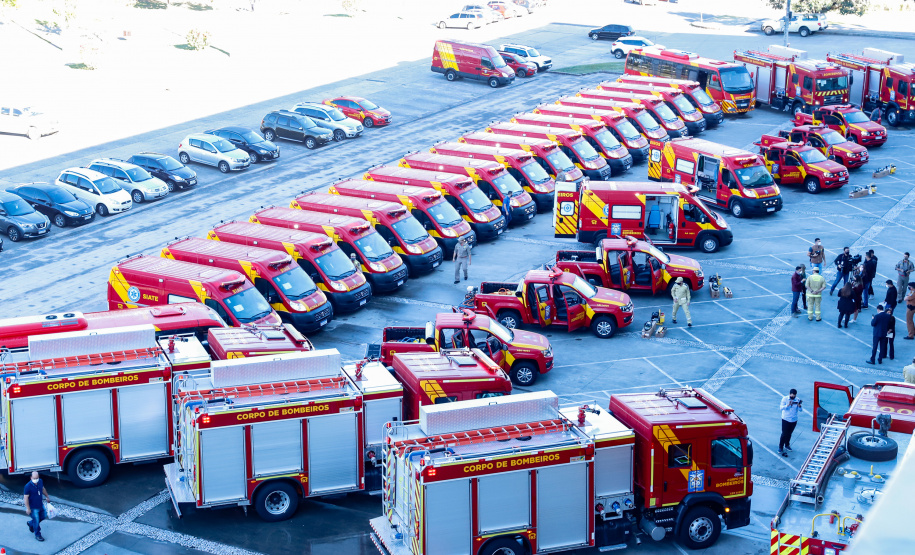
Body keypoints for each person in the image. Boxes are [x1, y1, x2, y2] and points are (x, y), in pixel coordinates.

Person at [24, 471, 49, 542]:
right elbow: (25, 498)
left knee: (44, 515)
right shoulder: (27, 486)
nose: (36, 480)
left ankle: (31, 523)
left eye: (37, 478)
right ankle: (38, 535)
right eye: (34, 478)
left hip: (40, 504)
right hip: (33, 507)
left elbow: (43, 489)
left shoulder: (40, 481)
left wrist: (47, 496)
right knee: (36, 521)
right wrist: (28, 508)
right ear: (31, 478)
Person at [779, 389, 801, 456]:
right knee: (784, 433)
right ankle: (780, 446)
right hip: (786, 419)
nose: (792, 395)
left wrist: (799, 407)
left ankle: (787, 445)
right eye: (791, 394)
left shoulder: (797, 400)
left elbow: (800, 410)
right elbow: (781, 408)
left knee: (790, 433)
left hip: (794, 419)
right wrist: (787, 405)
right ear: (789, 393)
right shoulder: (785, 399)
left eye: (794, 394)